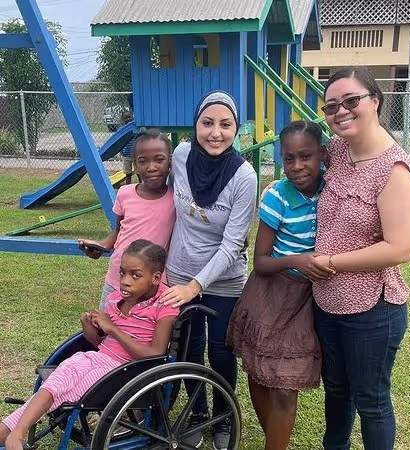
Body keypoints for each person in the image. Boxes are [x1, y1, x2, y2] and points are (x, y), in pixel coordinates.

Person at [310, 66, 410, 450]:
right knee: (337, 393)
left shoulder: (395, 171)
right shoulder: (339, 151)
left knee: (371, 402)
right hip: (327, 304)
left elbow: (401, 248)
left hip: (372, 310)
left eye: (351, 101)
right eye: (331, 106)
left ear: (374, 101)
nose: (340, 111)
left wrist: (330, 262)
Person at [0, 239, 179, 450]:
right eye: (122, 273)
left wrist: (113, 328)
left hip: (126, 371)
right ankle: (10, 433)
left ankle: (13, 433)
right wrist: (89, 328)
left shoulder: (164, 305)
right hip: (97, 359)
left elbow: (156, 354)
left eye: (135, 275)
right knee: (58, 381)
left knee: (61, 389)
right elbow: (100, 343)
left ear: (156, 277)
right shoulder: (114, 299)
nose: (125, 281)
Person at [227, 121, 333, 450]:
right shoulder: (277, 196)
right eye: (289, 159)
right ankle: (275, 438)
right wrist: (296, 260)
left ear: (322, 155)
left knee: (286, 385)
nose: (298, 166)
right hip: (271, 292)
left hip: (309, 299)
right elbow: (261, 260)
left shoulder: (332, 188)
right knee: (258, 372)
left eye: (306, 156)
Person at [161, 91, 257, 450]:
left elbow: (233, 245)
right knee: (188, 348)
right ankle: (197, 414)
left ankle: (223, 416)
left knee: (219, 351)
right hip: (178, 272)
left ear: (236, 128)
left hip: (224, 280)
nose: (215, 132)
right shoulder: (181, 156)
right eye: (207, 123)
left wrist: (195, 286)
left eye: (225, 124)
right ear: (195, 124)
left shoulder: (244, 177)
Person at [78, 129, 175, 311]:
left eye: (159, 159)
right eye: (143, 161)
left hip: (151, 285)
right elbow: (117, 231)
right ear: (135, 166)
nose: (151, 167)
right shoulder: (125, 193)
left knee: (142, 334)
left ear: (170, 162)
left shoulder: (176, 198)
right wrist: (100, 246)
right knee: (105, 329)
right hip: (117, 277)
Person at [120, 110, 138, 185]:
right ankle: (128, 187)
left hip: (136, 155)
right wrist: (121, 151)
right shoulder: (121, 130)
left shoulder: (135, 128)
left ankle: (142, 185)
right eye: (125, 118)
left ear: (132, 117)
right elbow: (119, 143)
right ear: (122, 120)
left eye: (129, 117)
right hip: (126, 155)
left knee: (139, 172)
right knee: (128, 174)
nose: (128, 119)